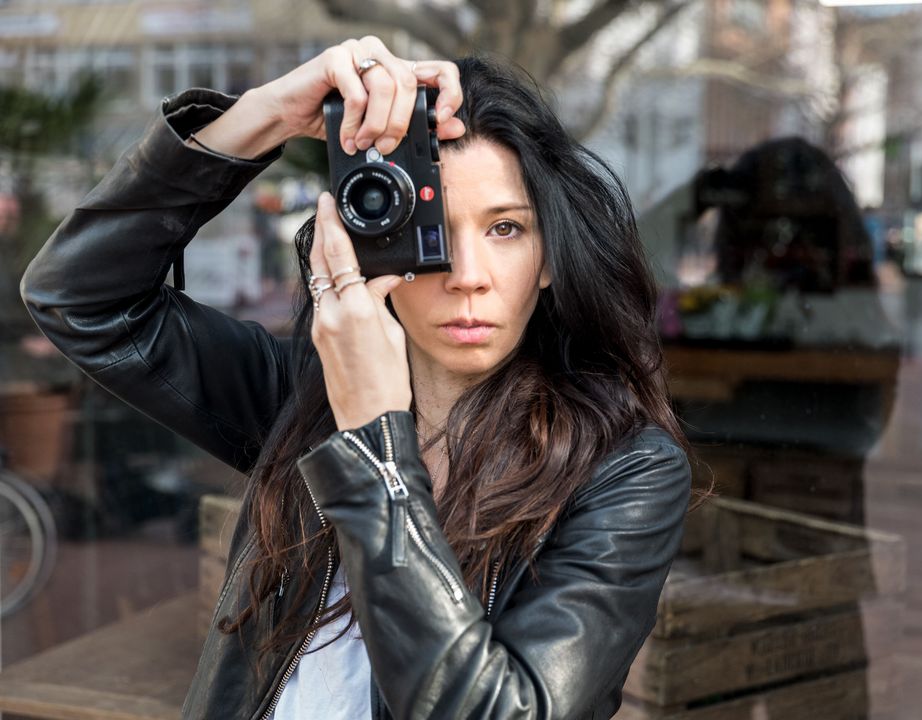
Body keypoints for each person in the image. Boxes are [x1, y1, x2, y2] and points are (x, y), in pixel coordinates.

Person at [20, 36, 692, 719]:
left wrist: (375, 440)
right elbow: (79, 298)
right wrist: (269, 115)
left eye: (506, 229)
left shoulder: (623, 471)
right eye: (432, 231)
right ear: (374, 246)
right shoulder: (303, 402)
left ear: (549, 259)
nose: (467, 277)